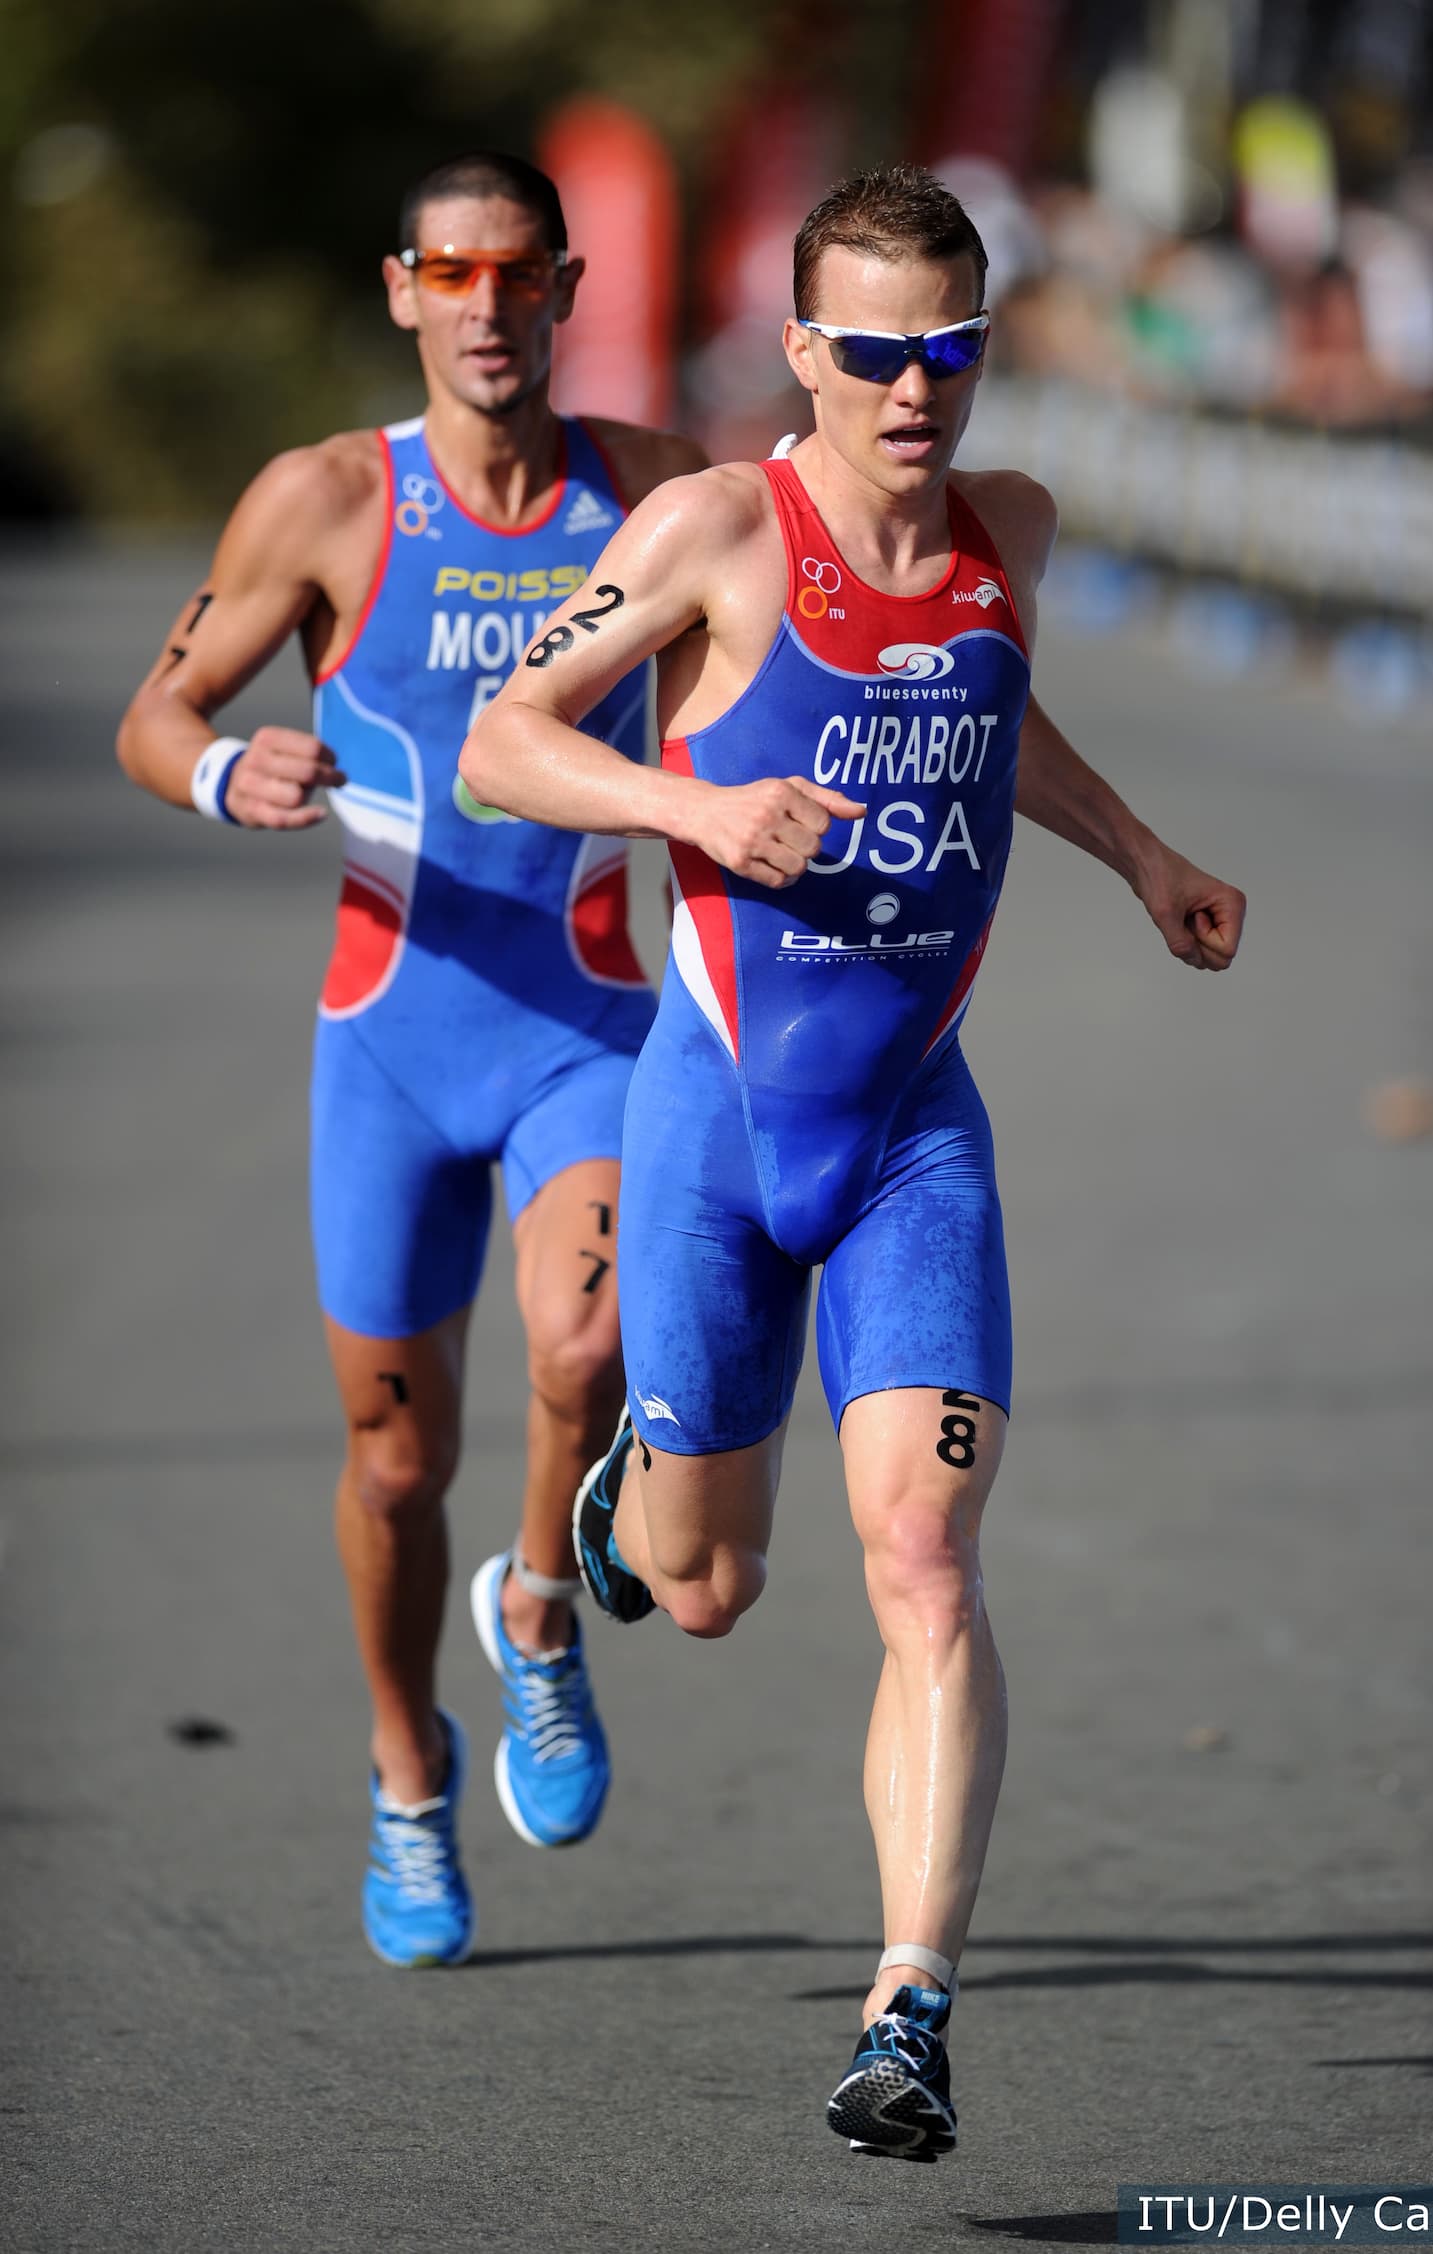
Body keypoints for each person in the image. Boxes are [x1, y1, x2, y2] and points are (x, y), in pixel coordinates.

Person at [457, 163, 1246, 2154]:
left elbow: (993, 721)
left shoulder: (1013, 533)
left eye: (951, 351)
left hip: (913, 1130)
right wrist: (696, 813)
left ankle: (909, 2008)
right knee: (706, 1588)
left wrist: (1142, 851)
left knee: (927, 1556)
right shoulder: (717, 526)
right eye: (875, 352)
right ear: (805, 348)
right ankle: (623, 1504)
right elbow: (503, 739)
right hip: (718, 1112)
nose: (916, 392)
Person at [117, 151, 706, 1968]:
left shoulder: (655, 490)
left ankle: (536, 1606)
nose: (484, 306)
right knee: (389, 1471)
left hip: (585, 1022)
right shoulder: (321, 502)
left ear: (566, 289)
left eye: (518, 274)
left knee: (589, 1336)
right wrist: (228, 770)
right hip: (389, 1040)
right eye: (450, 273)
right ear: (402, 290)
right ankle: (404, 1765)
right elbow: (161, 710)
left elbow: (768, 658)